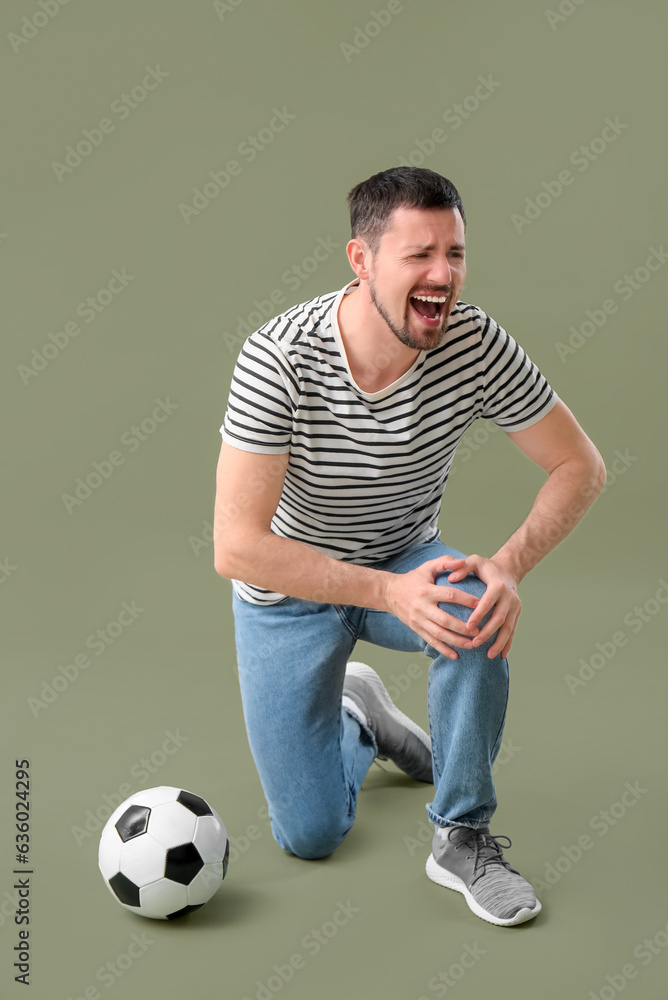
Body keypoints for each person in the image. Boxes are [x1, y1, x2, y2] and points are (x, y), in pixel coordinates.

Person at [213, 166, 605, 927]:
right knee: (311, 835)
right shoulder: (279, 359)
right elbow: (236, 548)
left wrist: (509, 565)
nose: (442, 275)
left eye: (455, 254)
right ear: (360, 262)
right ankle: (363, 716)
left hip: (403, 556)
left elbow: (579, 465)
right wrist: (385, 594)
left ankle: (461, 835)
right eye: (419, 255)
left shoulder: (474, 342)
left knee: (475, 609)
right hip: (289, 593)